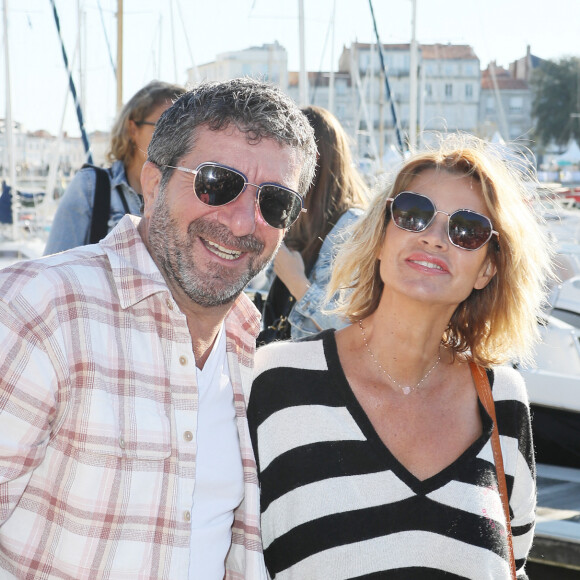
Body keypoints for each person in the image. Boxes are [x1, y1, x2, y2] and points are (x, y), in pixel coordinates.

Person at [0, 78, 316, 579]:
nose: (241, 222)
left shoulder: (249, 356)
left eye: (275, 202)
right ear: (153, 180)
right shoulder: (39, 311)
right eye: (217, 182)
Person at [248, 134, 554, 578]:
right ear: (380, 237)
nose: (433, 238)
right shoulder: (276, 380)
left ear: (488, 268)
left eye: (466, 230)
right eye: (414, 214)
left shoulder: (501, 398)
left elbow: (515, 566)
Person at [259, 105, 369, 342]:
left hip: (321, 374)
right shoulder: (291, 219)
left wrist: (299, 284)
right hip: (282, 365)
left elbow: (354, 329)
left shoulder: (352, 228)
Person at [44, 80, 186, 255]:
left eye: (182, 131)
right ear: (133, 129)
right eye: (164, 127)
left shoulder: (189, 195)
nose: (174, 139)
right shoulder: (91, 188)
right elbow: (55, 268)